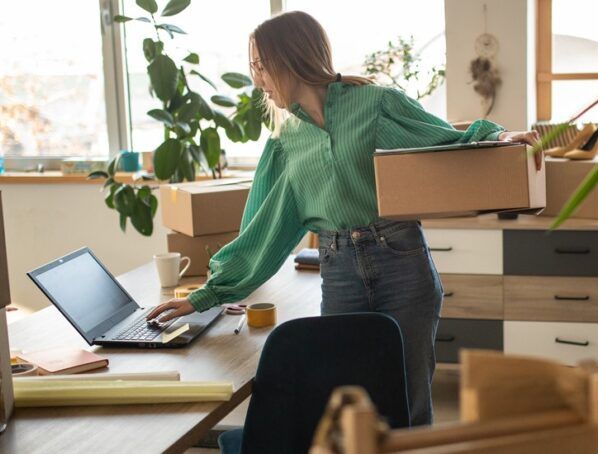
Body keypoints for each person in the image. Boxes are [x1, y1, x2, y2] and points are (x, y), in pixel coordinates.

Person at [147, 10, 540, 426]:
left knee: (409, 403)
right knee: (349, 409)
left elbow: (443, 139)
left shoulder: (375, 104)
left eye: (261, 66)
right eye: (254, 68)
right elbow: (264, 230)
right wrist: (206, 295)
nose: (257, 79)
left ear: (291, 57)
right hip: (340, 275)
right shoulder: (285, 143)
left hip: (402, 262)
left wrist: (497, 137)